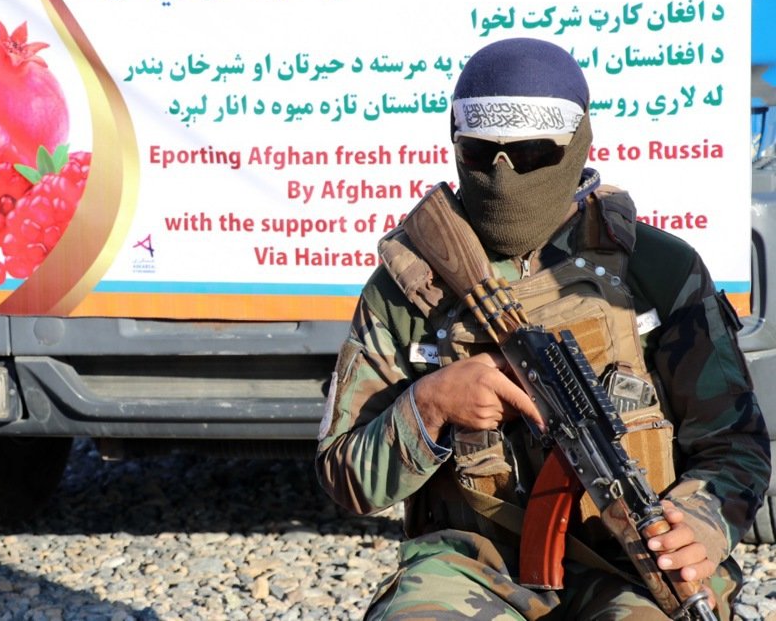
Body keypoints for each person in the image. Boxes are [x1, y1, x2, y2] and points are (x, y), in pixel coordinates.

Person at [315, 37, 771, 620]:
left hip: (631, 566)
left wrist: (702, 522)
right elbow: (345, 476)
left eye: (532, 153)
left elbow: (736, 446)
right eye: (480, 153)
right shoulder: (411, 287)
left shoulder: (658, 270)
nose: (503, 176)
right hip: (467, 566)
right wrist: (429, 405)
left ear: (578, 144)